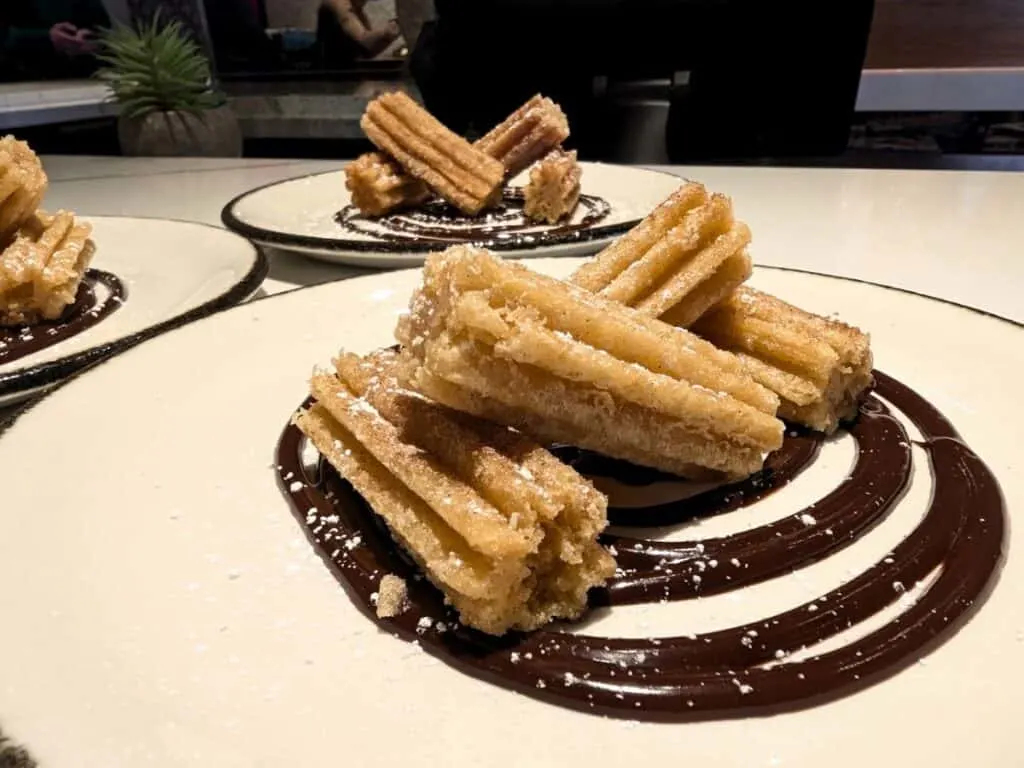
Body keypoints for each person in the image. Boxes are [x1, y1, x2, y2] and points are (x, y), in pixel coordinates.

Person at [0, 0, 110, 80]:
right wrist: (46, 39)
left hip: (77, 79)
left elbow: (102, 29)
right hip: (20, 81)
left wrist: (89, 38)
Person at [317, 0, 400, 69]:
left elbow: (367, 51)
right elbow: (364, 41)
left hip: (348, 73)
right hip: (331, 76)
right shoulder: (338, 3)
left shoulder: (356, 9)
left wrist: (389, 35)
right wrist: (395, 26)